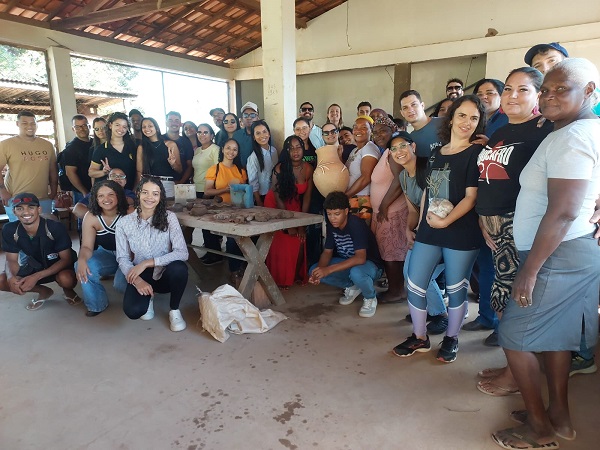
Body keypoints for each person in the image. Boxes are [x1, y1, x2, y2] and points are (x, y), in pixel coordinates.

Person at [491, 59, 600, 449]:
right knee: (557, 337)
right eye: (547, 90)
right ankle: (560, 418)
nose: (550, 96)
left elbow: (564, 210)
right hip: (572, 249)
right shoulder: (578, 131)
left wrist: (530, 270)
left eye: (561, 89)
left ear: (589, 92)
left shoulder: (573, 137)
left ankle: (538, 428)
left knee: (513, 336)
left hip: (556, 254)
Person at [471, 67, 554, 397]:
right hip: (493, 226)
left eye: (523, 89)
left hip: (518, 226)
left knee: (511, 302)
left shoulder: (545, 130)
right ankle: (513, 367)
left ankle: (516, 376)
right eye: (508, 89)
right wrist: (483, 217)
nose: (512, 95)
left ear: (538, 96)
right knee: (501, 297)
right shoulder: (500, 131)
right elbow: (488, 179)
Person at [393, 95, 485, 363]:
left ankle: (451, 338)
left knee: (456, 288)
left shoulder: (476, 153)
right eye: (462, 115)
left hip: (461, 231)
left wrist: (445, 221)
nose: (467, 122)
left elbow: (471, 197)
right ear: (451, 118)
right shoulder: (436, 153)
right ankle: (419, 336)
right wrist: (423, 223)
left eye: (474, 118)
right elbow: (428, 193)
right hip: (430, 229)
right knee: (414, 282)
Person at [116, 176, 189, 332]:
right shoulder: (124, 223)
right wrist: (137, 281)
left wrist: (147, 262)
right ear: (138, 193)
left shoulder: (169, 218)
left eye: (155, 193)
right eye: (145, 192)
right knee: (133, 311)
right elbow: (122, 258)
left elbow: (182, 252)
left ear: (160, 196)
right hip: (142, 274)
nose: (150, 197)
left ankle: (174, 309)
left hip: (165, 272)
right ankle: (148, 296)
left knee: (179, 268)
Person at [309, 191, 384, 318]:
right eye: (329, 214)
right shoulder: (332, 225)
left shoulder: (356, 224)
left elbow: (360, 258)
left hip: (371, 266)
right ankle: (353, 286)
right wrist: (319, 271)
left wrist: (328, 270)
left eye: (337, 214)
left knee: (357, 272)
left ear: (346, 211)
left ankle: (370, 297)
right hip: (350, 264)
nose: (332, 218)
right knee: (314, 270)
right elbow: (327, 252)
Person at [0, 193, 79, 310]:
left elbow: (66, 259)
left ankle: (68, 290)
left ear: (39, 209)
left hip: (59, 264)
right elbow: (11, 259)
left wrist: (36, 277)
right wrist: (11, 277)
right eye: (20, 208)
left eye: (31, 207)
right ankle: (44, 291)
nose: (26, 212)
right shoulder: (10, 229)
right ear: (14, 212)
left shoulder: (54, 227)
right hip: (35, 264)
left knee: (66, 279)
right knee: (2, 280)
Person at [264, 135, 314, 288]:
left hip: (295, 206)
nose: (295, 151)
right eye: (291, 148)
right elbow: (277, 197)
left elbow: (307, 198)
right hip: (277, 207)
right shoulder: (280, 168)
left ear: (303, 149)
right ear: (287, 151)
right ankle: (280, 278)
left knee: (300, 239)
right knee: (282, 242)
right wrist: (288, 224)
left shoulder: (308, 169)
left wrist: (302, 225)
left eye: (298, 147)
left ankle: (294, 275)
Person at [76, 180, 129, 316]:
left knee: (121, 285)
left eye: (111, 194)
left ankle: (145, 296)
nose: (106, 199)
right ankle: (97, 304)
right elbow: (87, 246)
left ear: (118, 195)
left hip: (130, 256)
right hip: (107, 254)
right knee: (82, 266)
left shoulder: (129, 213)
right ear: (95, 198)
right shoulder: (91, 217)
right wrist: (81, 260)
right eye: (101, 196)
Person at [370, 124, 409, 304]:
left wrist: (384, 206)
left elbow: (399, 181)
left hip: (391, 212)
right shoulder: (386, 152)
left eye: (383, 131)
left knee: (392, 254)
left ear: (393, 131)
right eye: (375, 132)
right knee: (389, 253)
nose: (378, 135)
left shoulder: (393, 154)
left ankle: (396, 291)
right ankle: (396, 288)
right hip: (385, 212)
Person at [0, 110, 58, 221]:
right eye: (24, 123)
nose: (30, 126)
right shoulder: (6, 144)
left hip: (42, 199)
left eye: (33, 123)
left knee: (44, 229)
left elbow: (53, 170)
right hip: (16, 199)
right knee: (20, 230)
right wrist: (3, 191)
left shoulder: (47, 145)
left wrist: (54, 191)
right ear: (17, 124)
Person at [205, 139, 248, 279]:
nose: (231, 152)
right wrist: (225, 190)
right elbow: (207, 191)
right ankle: (234, 271)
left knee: (236, 240)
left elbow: (245, 191)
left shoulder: (241, 171)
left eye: (235, 149)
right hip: (221, 211)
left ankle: (239, 267)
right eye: (228, 148)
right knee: (231, 240)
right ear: (222, 149)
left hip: (239, 210)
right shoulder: (215, 169)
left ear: (237, 152)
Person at [345, 116, 380, 226]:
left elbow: (366, 177)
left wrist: (345, 196)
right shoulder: (355, 150)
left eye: (364, 127)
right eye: (355, 127)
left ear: (371, 131)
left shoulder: (369, 148)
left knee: (359, 231)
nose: (358, 130)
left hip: (362, 199)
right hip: (352, 197)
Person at [89, 112, 137, 189]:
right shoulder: (101, 149)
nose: (121, 129)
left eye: (124, 127)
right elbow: (91, 172)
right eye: (117, 125)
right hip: (108, 191)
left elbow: (138, 170)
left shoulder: (133, 146)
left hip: (128, 191)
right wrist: (103, 172)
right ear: (110, 125)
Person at [137, 117, 182, 186]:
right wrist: (139, 186)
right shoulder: (141, 148)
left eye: (150, 126)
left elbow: (180, 170)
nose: (147, 129)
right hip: (149, 183)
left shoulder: (170, 145)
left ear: (157, 128)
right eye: (144, 127)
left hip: (167, 183)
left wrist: (173, 164)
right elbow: (139, 171)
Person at [61, 114, 93, 202]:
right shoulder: (71, 148)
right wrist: (84, 192)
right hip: (82, 192)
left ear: (89, 126)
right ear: (73, 129)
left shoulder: (95, 143)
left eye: (84, 125)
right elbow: (70, 172)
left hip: (98, 189)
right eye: (77, 127)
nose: (81, 129)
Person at [247, 120, 278, 206]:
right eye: (258, 133)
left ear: (269, 133)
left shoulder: (274, 151)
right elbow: (253, 183)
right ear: (254, 137)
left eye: (264, 132)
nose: (262, 136)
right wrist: (259, 202)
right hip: (262, 196)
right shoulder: (253, 158)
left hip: (275, 194)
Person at [162, 111, 193, 184]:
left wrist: (181, 182)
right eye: (170, 120)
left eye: (176, 120)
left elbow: (190, 165)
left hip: (182, 183)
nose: (174, 123)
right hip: (162, 183)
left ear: (180, 124)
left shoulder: (186, 142)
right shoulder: (160, 139)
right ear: (166, 123)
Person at [233, 102, 260, 167]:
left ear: (258, 118)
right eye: (245, 115)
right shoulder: (237, 135)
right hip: (240, 171)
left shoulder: (264, 135)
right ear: (242, 118)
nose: (249, 118)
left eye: (252, 115)